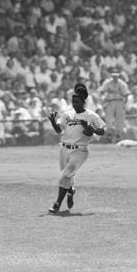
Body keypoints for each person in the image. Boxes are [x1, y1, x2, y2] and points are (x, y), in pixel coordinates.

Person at [46, 83, 106, 214]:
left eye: (77, 102)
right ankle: (70, 190)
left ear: (83, 102)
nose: (75, 104)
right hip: (64, 149)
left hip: (80, 150)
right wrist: (53, 121)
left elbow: (102, 131)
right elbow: (59, 130)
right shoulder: (67, 114)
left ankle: (57, 204)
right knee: (67, 177)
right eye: (73, 102)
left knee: (65, 175)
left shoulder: (91, 115)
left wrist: (91, 129)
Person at [99, 68, 129, 142]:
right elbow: (102, 91)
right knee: (108, 119)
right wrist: (103, 100)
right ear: (111, 76)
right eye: (113, 75)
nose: (115, 77)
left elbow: (126, 95)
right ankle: (109, 134)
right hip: (110, 101)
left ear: (118, 76)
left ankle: (118, 135)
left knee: (120, 119)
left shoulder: (122, 83)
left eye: (116, 76)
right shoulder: (107, 82)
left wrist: (124, 104)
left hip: (119, 102)